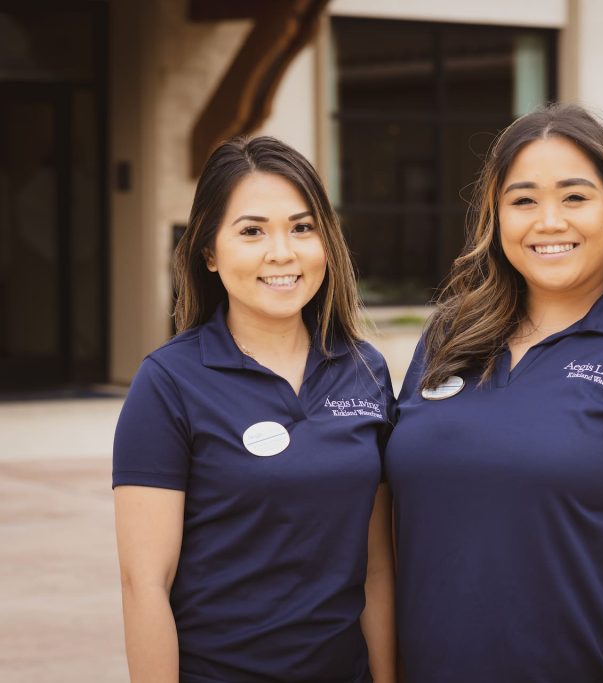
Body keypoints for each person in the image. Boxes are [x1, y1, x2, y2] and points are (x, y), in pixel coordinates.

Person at [384, 104, 603, 682]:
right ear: (495, 218)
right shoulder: (451, 332)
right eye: (523, 200)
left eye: (574, 198)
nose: (549, 222)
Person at [113, 136, 397, 683]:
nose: (282, 253)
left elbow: (378, 569)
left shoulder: (365, 370)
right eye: (252, 231)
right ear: (210, 253)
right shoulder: (169, 382)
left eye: (302, 227)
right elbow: (144, 584)